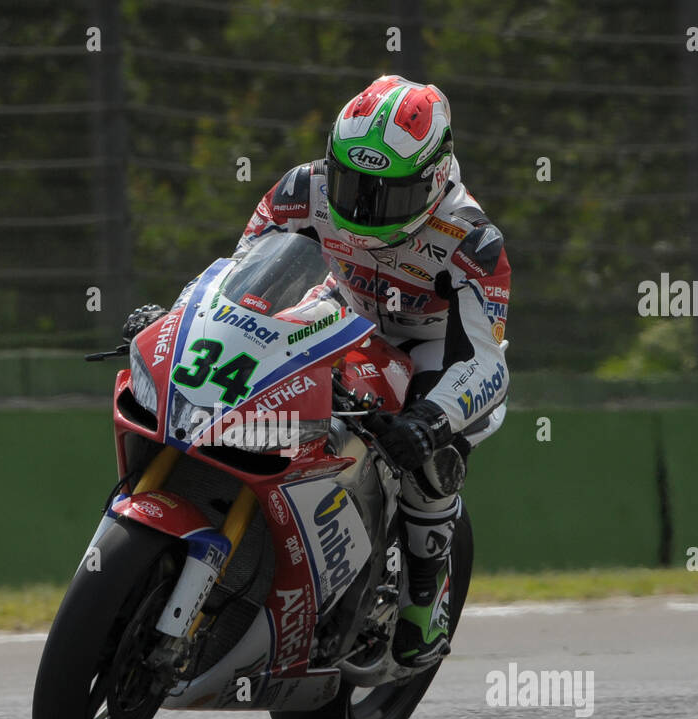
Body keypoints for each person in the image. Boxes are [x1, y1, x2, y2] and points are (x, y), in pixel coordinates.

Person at [124, 75, 510, 668]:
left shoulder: (472, 241)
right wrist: (179, 320)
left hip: (429, 345)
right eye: (354, 185)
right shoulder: (304, 189)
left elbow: (484, 359)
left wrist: (432, 421)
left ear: (435, 177)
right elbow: (237, 275)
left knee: (433, 458)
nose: (362, 208)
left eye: (389, 194)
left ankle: (424, 594)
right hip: (340, 312)